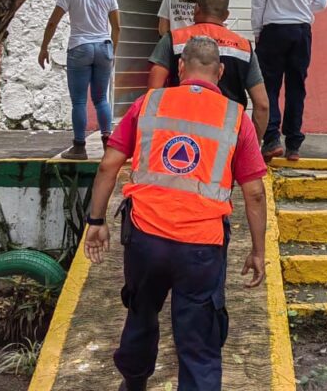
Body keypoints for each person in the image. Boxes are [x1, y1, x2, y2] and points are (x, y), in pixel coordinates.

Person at [84, 36, 267, 391]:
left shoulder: (148, 103)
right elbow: (255, 193)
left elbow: (108, 166)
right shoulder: (236, 118)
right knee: (198, 341)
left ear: (180, 68)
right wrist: (258, 252)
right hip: (202, 247)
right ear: (221, 72)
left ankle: (133, 384)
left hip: (145, 240)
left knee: (141, 314)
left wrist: (97, 221)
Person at [148, 0, 270, 140]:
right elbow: (262, 105)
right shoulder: (244, 48)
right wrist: (250, 147)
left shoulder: (173, 40)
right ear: (226, 15)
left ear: (196, 9)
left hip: (178, 137)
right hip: (226, 141)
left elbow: (153, 93)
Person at [251, 0, 327, 162]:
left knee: (269, 87)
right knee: (296, 87)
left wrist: (257, 31)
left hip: (273, 30)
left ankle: (272, 139)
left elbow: (258, 0)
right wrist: (301, 6)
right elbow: (322, 2)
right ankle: (294, 144)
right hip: (301, 31)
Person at [38, 0, 120, 160]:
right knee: (101, 99)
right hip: (103, 47)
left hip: (79, 47)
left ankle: (79, 147)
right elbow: (117, 27)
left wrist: (44, 48)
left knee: (79, 101)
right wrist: (113, 52)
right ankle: (107, 143)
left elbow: (52, 23)